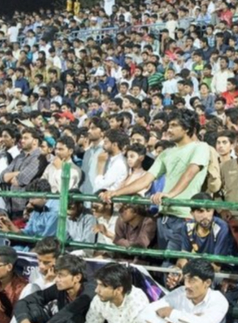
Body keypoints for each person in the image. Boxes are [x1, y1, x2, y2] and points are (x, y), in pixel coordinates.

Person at [101, 110, 211, 258]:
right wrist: (116, 192)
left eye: (174, 125)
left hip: (186, 217)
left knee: (175, 266)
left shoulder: (201, 147)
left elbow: (190, 173)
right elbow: (146, 179)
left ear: (186, 128)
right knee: (162, 265)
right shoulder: (167, 153)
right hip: (164, 218)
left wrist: (169, 194)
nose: (169, 130)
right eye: (168, 125)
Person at [139, 258, 229, 323]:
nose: (187, 285)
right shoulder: (180, 293)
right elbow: (146, 313)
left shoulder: (218, 300)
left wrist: (171, 313)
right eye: (186, 279)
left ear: (207, 282)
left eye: (193, 280)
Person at [14, 254, 97, 323]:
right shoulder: (59, 288)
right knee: (32, 309)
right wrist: (24, 320)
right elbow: (24, 301)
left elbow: (67, 313)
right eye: (56, 275)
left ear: (77, 278)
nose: (56, 279)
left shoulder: (89, 291)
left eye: (61, 276)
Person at [85, 263, 150, 323]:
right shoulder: (99, 299)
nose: (96, 290)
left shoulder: (137, 305)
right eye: (97, 284)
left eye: (102, 286)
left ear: (119, 290)